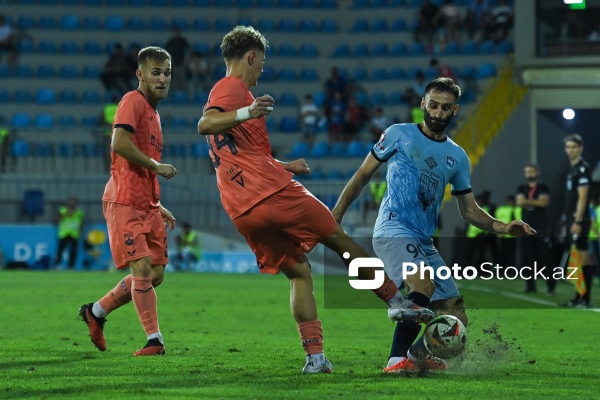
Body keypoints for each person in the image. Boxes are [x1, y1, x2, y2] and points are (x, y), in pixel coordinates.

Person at [197, 26, 433, 374]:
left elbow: (238, 153)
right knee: (337, 238)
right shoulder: (232, 88)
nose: (262, 69)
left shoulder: (225, 97)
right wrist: (249, 112)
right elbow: (205, 124)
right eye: (261, 61)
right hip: (273, 193)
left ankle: (316, 359)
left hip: (241, 209)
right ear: (251, 57)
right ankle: (396, 301)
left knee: (300, 273)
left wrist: (284, 164)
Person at [331, 77, 536, 373]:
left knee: (456, 319)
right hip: (394, 229)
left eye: (445, 108)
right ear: (423, 104)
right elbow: (362, 175)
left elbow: (469, 210)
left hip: (424, 241)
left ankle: (416, 354)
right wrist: (336, 214)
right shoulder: (398, 134)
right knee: (423, 283)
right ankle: (395, 360)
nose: (438, 113)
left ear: (455, 111)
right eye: (433, 105)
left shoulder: (457, 157)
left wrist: (503, 227)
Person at [79, 46, 178, 357]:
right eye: (156, 73)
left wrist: (156, 203)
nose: (162, 79)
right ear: (140, 75)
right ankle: (154, 339)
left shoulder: (155, 113)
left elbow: (138, 162)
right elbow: (119, 143)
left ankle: (96, 311)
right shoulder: (132, 101)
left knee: (156, 272)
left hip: (146, 203)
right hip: (124, 201)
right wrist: (155, 165)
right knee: (142, 269)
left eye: (167, 73)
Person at [562, 134, 595, 307]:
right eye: (568, 147)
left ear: (580, 148)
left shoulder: (583, 169)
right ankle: (578, 296)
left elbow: (582, 198)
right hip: (571, 218)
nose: (571, 150)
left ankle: (586, 298)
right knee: (576, 257)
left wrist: (577, 220)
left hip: (578, 219)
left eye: (574, 146)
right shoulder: (573, 169)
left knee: (582, 257)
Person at [516, 164, 555, 295]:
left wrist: (527, 202)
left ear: (537, 172)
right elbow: (519, 202)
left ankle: (551, 286)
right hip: (525, 228)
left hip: (540, 228)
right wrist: (535, 202)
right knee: (526, 258)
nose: (530, 174)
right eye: (527, 172)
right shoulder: (522, 188)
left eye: (532, 171)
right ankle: (530, 287)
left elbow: (544, 203)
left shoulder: (543, 187)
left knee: (545, 258)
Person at [54, 196, 84, 270]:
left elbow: (81, 223)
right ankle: (57, 265)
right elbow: (56, 220)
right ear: (67, 203)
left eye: (74, 203)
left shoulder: (79, 212)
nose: (72, 204)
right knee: (60, 250)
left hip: (74, 234)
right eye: (71, 202)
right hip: (64, 233)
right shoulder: (63, 211)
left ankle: (71, 266)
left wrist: (80, 232)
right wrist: (65, 214)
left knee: (73, 251)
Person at [494, 194, 520, 273]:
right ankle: (506, 270)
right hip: (508, 234)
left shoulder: (501, 209)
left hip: (507, 234)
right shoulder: (515, 209)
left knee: (506, 254)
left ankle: (505, 270)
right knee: (507, 253)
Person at [165, 27, 190, 92]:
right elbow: (166, 53)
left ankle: (184, 92)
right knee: (175, 78)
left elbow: (187, 51)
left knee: (182, 78)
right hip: (174, 63)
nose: (177, 34)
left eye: (178, 32)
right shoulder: (171, 42)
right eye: (175, 32)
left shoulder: (183, 41)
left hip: (182, 63)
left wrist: (186, 60)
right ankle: (176, 92)